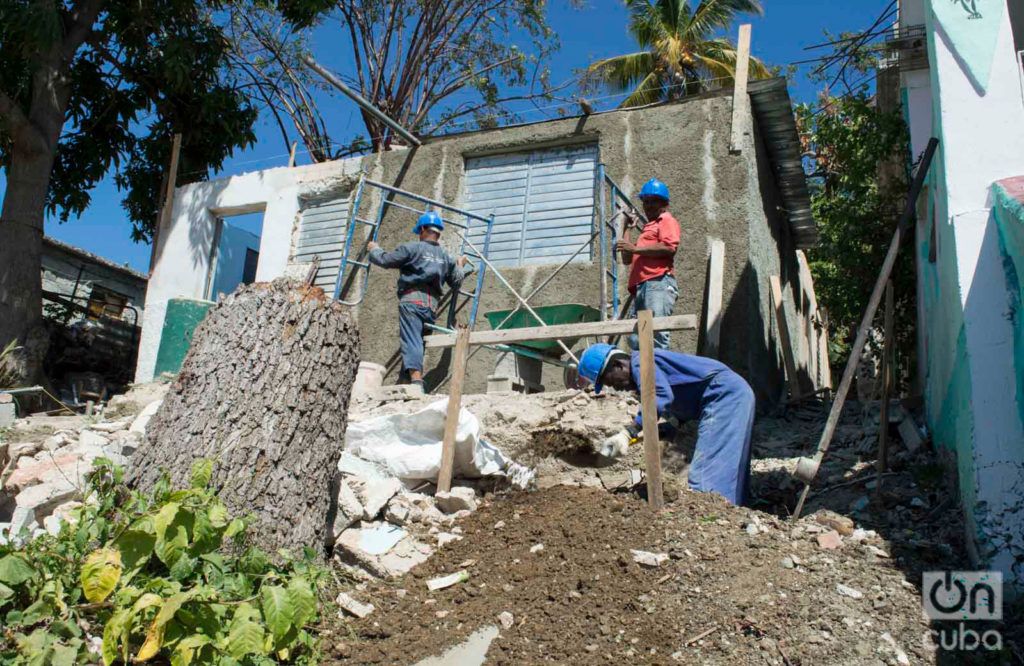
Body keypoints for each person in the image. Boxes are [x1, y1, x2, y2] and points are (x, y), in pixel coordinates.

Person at [577, 343, 755, 506]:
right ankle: (735, 518)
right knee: (730, 464)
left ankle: (712, 521)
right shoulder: (646, 366)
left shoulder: (641, 362)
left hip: (723, 394)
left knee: (705, 477)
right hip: (733, 392)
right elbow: (685, 392)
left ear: (618, 365)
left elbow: (660, 395)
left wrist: (629, 432)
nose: (615, 388)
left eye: (611, 381)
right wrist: (672, 424)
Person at [367, 211, 470, 389]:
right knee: (417, 343)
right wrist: (460, 265)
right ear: (438, 232)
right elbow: (456, 281)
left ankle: (416, 382)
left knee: (411, 340)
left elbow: (385, 260)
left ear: (422, 229)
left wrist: (374, 249)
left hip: (412, 301)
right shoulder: (446, 257)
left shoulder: (411, 248)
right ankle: (405, 381)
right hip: (431, 306)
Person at [615, 178, 680, 350]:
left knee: (656, 336)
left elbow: (669, 247)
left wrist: (635, 249)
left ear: (664, 203)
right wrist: (629, 228)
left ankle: (658, 375)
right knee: (636, 340)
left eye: (652, 201)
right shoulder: (648, 228)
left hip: (657, 283)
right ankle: (644, 375)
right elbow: (626, 258)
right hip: (642, 287)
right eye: (645, 202)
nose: (648, 206)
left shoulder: (666, 220)